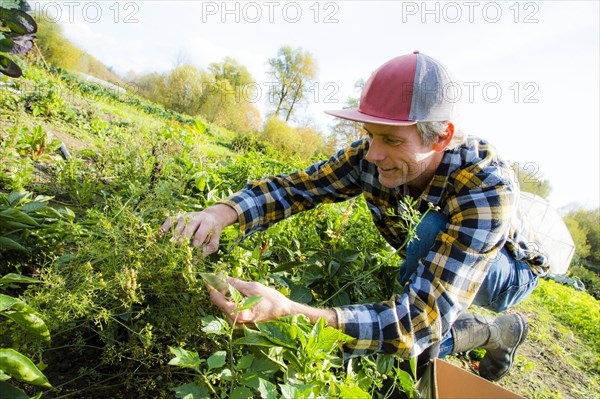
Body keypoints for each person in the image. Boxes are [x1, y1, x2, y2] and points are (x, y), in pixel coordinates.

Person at [161, 51, 548, 382]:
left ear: (441, 138)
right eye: (371, 134)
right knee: (413, 294)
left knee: (419, 319)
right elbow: (296, 189)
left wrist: (293, 312)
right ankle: (464, 333)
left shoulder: (485, 187)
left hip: (509, 274)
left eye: (392, 139)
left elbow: (417, 321)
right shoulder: (372, 154)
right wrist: (220, 212)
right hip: (433, 256)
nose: (374, 153)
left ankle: (499, 329)